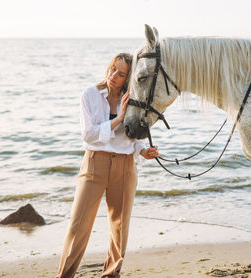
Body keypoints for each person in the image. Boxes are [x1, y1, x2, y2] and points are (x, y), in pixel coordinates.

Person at [55, 53, 159, 278]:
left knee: (119, 228)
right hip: (94, 163)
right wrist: (118, 119)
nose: (113, 76)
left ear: (128, 78)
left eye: (121, 74)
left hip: (125, 166)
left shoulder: (133, 99)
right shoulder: (90, 95)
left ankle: (111, 274)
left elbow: (136, 138)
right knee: (78, 225)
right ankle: (64, 275)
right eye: (113, 69)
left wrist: (144, 151)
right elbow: (89, 135)